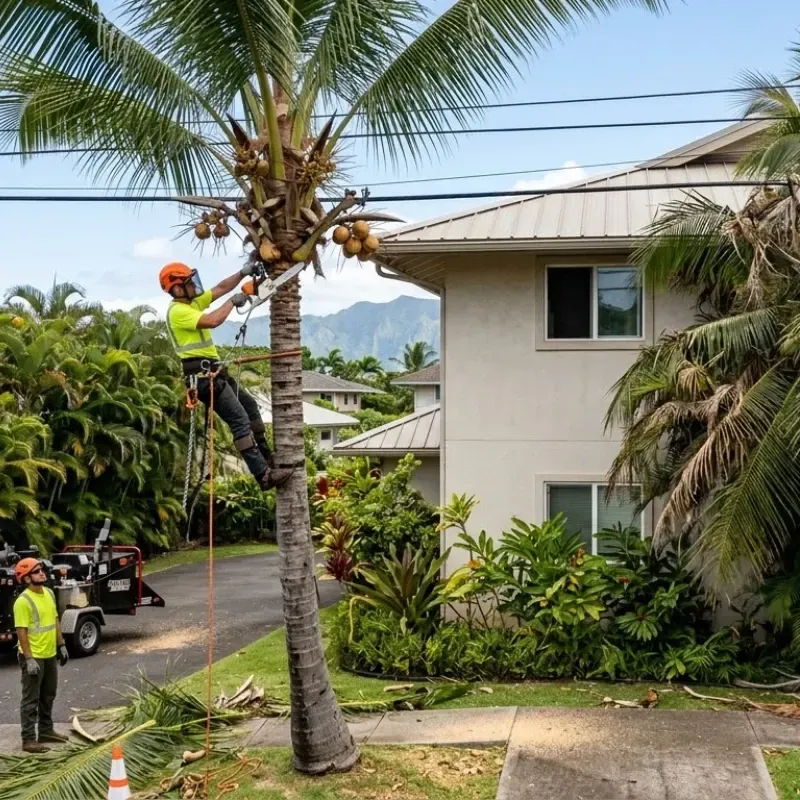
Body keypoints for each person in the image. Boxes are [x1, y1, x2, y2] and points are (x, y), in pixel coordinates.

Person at [160, 262, 292, 490]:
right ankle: (263, 476)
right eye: (189, 283)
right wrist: (233, 301)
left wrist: (243, 273)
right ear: (178, 289)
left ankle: (267, 458)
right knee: (239, 420)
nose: (194, 286)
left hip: (214, 371)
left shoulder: (190, 304)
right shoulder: (178, 311)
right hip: (202, 378)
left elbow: (220, 288)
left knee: (250, 407)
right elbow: (213, 321)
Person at [13, 558, 69, 753]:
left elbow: (54, 620)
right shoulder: (23, 601)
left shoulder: (49, 593)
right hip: (33, 656)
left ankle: (46, 730)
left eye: (42, 570)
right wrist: (28, 658)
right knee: (31, 699)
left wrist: (61, 644)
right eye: (37, 571)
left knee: (48, 694)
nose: (42, 573)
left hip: (49, 653)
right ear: (27, 578)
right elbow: (21, 632)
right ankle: (28, 739)